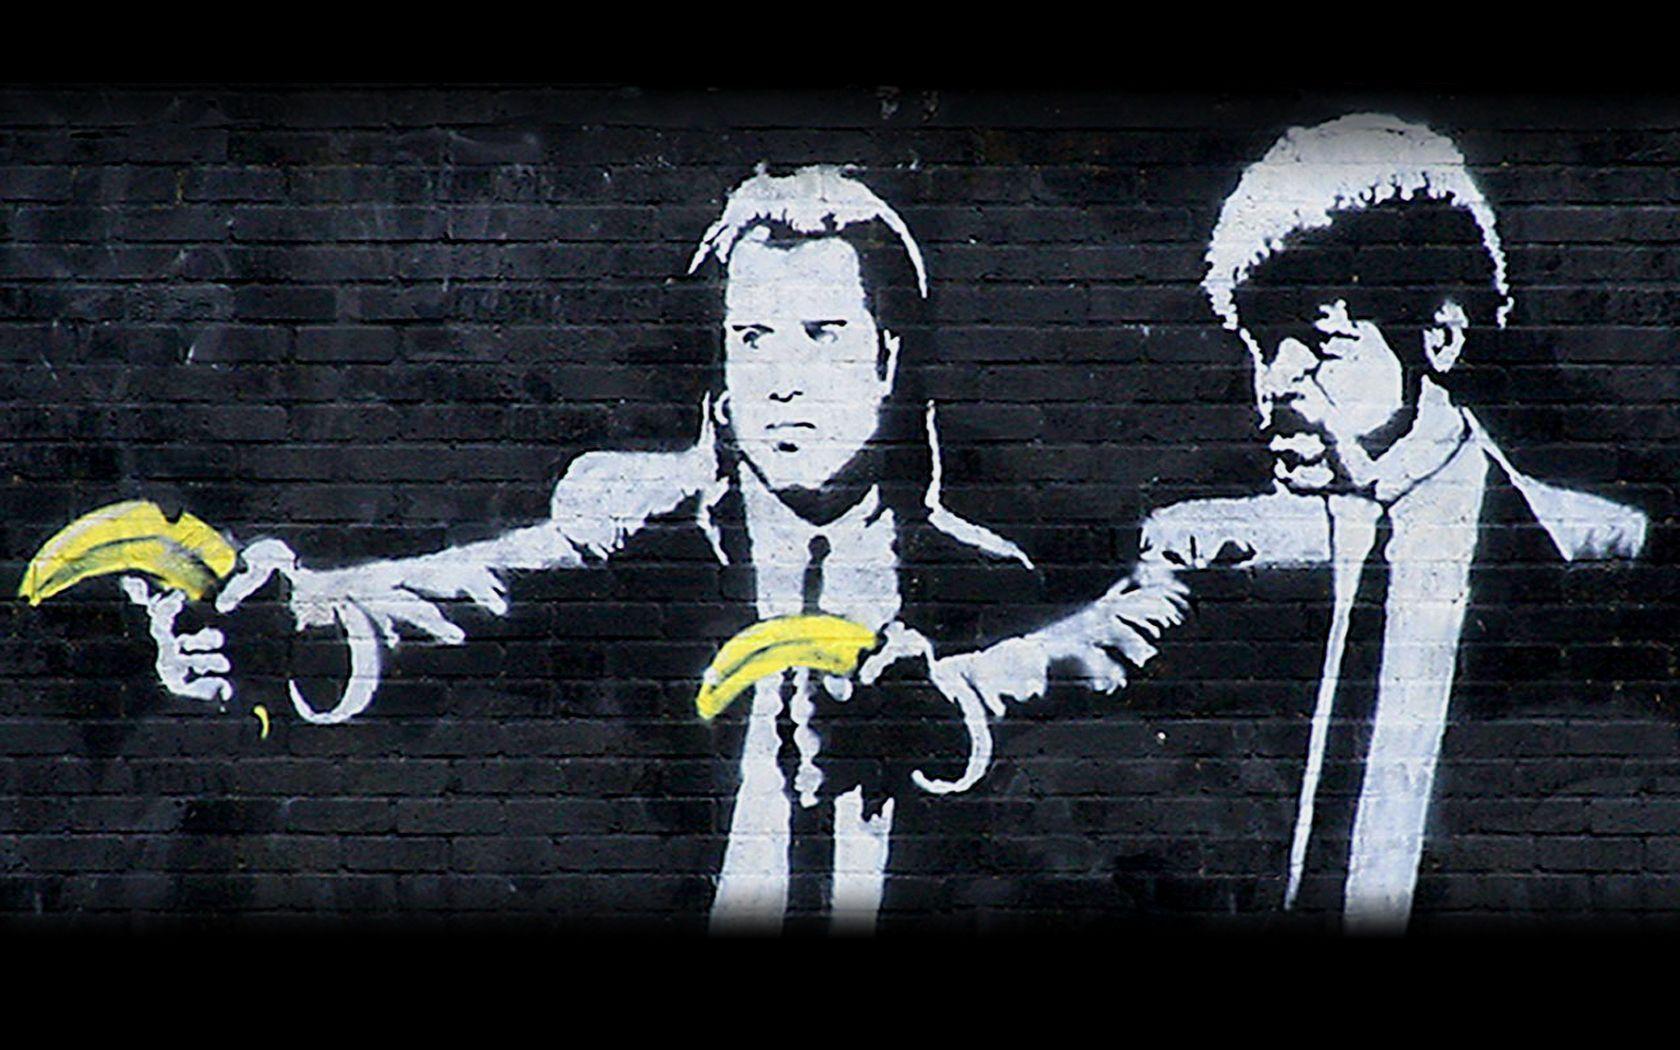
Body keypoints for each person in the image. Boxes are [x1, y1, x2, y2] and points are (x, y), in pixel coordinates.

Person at [126, 164, 1180, 931]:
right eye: (752, 339)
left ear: (887, 360)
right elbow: (483, 592)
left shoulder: (984, 582)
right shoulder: (646, 537)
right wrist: (307, 624)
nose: (782, 380)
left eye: (822, 337)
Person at [1128, 112, 1649, 930]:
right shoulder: (1221, 554)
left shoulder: (1600, 560)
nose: (1275, 384)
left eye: (1321, 342)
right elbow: (1117, 641)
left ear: (1439, 336)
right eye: (1263, 343)